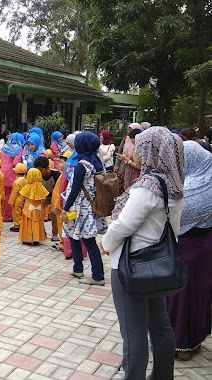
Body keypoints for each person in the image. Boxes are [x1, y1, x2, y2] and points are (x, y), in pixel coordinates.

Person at [101, 127, 183, 379]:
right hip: (158, 265)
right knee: (160, 325)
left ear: (151, 150)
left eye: (140, 146)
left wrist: (106, 242)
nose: (136, 151)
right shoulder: (175, 184)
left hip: (132, 267)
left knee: (132, 330)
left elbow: (124, 225)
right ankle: (162, 376)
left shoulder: (148, 186)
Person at [165, 141, 211, 360]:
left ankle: (179, 345)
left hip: (186, 246)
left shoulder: (189, 189)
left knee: (179, 297)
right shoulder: (208, 178)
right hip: (206, 247)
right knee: (199, 296)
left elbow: (171, 218)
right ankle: (194, 341)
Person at [62, 132, 107, 285]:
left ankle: (98, 276)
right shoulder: (97, 162)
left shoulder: (82, 166)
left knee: (88, 240)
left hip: (81, 207)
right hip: (89, 205)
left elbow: (75, 190)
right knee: (73, 235)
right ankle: (78, 268)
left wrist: (65, 208)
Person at [34, 157, 62, 242]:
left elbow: (59, 191)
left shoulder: (57, 175)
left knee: (53, 212)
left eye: (41, 170)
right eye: (37, 171)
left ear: (47, 168)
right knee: (35, 210)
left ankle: (55, 234)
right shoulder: (36, 176)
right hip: (43, 198)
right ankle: (39, 233)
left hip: (55, 198)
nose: (39, 173)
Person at [19, 168, 48, 245]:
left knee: (28, 223)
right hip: (38, 208)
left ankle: (27, 238)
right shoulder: (41, 187)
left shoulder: (27, 187)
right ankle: (37, 238)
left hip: (28, 208)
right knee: (37, 223)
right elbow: (44, 198)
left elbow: (22, 197)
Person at [1, 133, 25, 222]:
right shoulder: (18, 149)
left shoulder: (4, 147)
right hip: (12, 173)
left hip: (2, 172)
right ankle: (9, 215)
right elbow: (16, 163)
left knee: (5, 195)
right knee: (13, 196)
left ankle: (4, 214)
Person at [9, 163, 28, 232]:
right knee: (22, 213)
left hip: (17, 200)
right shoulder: (26, 181)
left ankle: (17, 225)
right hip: (24, 199)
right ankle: (22, 224)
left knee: (16, 213)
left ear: (16, 173)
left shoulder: (16, 182)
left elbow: (14, 193)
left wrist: (11, 202)